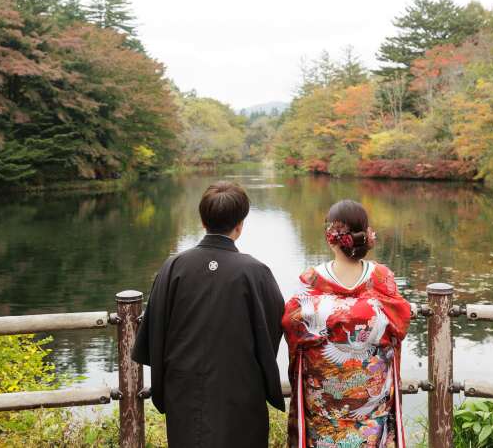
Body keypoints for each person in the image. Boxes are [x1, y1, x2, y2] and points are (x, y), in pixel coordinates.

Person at [131, 181, 285, 448]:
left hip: (185, 391)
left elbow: (154, 329)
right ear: (240, 224)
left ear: (203, 221)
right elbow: (272, 329)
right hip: (239, 389)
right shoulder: (255, 272)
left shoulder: (175, 266)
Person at [282, 200, 411, 448]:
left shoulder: (313, 279)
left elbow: (292, 327)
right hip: (372, 396)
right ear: (366, 236)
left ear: (331, 238)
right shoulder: (382, 277)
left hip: (325, 397)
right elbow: (400, 320)